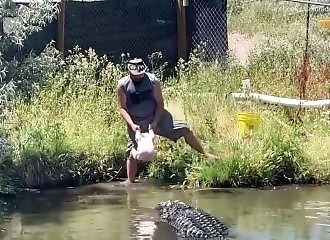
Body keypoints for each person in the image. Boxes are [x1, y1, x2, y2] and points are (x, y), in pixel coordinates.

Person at [116, 58, 216, 184]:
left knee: (184, 129)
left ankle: (206, 155)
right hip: (136, 121)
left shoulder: (153, 81)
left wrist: (155, 122)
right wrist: (132, 125)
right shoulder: (122, 85)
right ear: (130, 73)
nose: (138, 77)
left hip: (158, 115)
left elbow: (160, 104)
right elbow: (122, 108)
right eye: (135, 76)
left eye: (141, 74)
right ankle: (130, 182)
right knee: (133, 151)